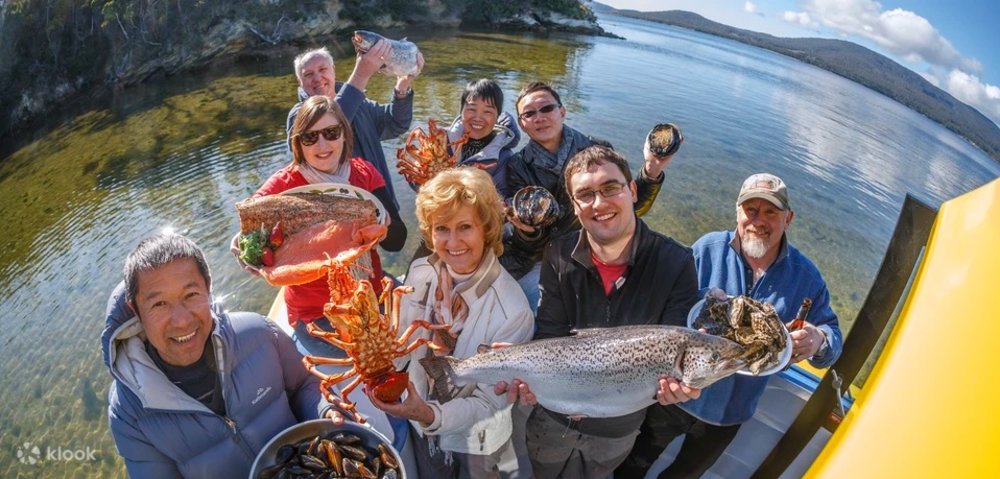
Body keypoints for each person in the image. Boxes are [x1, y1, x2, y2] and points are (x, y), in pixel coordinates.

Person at [618, 173, 845, 478]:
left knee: (685, 474)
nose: (758, 221)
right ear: (737, 212)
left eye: (771, 212)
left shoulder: (806, 277)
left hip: (729, 413)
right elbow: (667, 306)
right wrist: (701, 299)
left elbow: (832, 339)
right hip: (676, 394)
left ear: (788, 218)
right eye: (751, 210)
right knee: (633, 464)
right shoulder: (707, 249)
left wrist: (818, 339)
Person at [499, 146, 700, 479]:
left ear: (632, 190)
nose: (599, 203)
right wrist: (522, 363)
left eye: (610, 188)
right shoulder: (558, 253)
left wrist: (680, 388)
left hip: (617, 429)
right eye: (585, 195)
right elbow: (550, 332)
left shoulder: (677, 262)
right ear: (574, 205)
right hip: (552, 416)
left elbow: (675, 343)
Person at [101, 234, 337, 477]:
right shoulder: (129, 412)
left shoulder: (260, 333)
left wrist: (325, 410)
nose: (182, 321)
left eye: (191, 295)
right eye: (159, 304)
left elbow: (304, 385)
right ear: (135, 309)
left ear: (208, 287)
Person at [369, 167, 534, 478]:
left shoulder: (514, 312)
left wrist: (430, 414)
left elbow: (489, 404)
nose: (453, 241)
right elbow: (402, 347)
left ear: (487, 229)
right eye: (441, 228)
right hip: (419, 418)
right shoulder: (420, 270)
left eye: (465, 227)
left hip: (476, 440)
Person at [502, 81, 675, 310]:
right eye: (529, 113)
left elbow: (628, 209)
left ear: (562, 111)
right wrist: (527, 231)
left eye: (546, 108)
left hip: (596, 253)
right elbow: (528, 243)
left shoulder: (597, 149)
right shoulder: (517, 166)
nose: (539, 117)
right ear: (522, 124)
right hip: (543, 259)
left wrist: (652, 170)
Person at [256, 95, 406, 352]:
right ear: (298, 143)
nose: (322, 144)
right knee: (366, 360)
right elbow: (251, 221)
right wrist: (242, 244)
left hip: (371, 295)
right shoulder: (283, 185)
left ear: (344, 134)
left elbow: (397, 241)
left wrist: (385, 228)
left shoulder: (363, 172)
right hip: (318, 313)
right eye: (310, 137)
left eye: (331, 132)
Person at [287, 45, 423, 209]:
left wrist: (402, 87)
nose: (317, 78)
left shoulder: (360, 103)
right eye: (308, 74)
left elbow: (396, 123)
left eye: (322, 69)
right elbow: (331, 119)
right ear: (300, 82)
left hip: (383, 204)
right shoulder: (298, 116)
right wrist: (360, 75)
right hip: (341, 213)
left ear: (333, 70)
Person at [446, 78, 520, 193]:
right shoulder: (441, 140)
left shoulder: (504, 158)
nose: (478, 118)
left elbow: (502, 198)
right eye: (471, 109)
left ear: (497, 117)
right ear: (461, 111)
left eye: (487, 112)